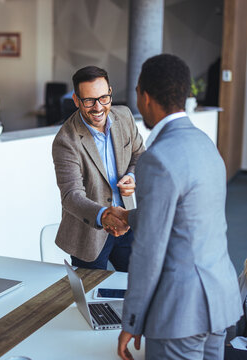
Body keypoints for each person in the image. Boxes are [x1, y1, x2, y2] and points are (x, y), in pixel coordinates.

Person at [103, 54, 243, 359]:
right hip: (218, 302)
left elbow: (149, 250)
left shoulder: (157, 157)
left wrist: (132, 319)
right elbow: (188, 218)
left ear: (146, 96)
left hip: (180, 313)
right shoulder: (206, 144)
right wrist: (130, 217)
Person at [52, 66, 144, 271]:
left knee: (139, 284)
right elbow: (71, 195)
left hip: (127, 221)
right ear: (76, 100)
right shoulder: (65, 140)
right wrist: (104, 215)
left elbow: (140, 154)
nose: (98, 107)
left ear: (110, 92)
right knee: (90, 298)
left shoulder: (125, 116)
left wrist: (132, 175)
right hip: (88, 234)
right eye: (89, 101)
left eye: (103, 98)